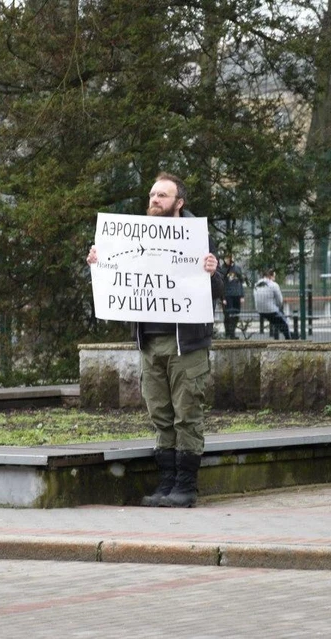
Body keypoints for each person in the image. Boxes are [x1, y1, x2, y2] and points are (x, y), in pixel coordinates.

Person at [86, 173, 223, 508]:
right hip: (150, 342)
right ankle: (166, 484)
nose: (155, 200)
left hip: (185, 346)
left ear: (179, 203)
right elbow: (118, 280)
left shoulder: (199, 239)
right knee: (160, 414)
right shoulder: (133, 239)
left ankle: (186, 487)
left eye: (163, 195)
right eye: (152, 194)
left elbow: (218, 292)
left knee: (186, 413)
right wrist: (98, 263)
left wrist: (212, 271)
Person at [252, 269, 292, 340]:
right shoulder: (274, 285)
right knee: (284, 324)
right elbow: (280, 301)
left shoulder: (256, 284)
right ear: (270, 276)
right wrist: (278, 307)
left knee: (277, 321)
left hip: (259, 310)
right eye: (274, 276)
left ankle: (288, 335)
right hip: (270, 310)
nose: (274, 278)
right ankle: (289, 340)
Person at [218, 254, 245, 339]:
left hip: (236, 295)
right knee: (227, 315)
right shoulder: (223, 269)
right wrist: (223, 298)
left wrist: (242, 295)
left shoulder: (238, 269)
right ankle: (227, 334)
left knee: (236, 314)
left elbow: (241, 283)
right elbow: (221, 284)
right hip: (227, 296)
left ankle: (232, 333)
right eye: (226, 258)